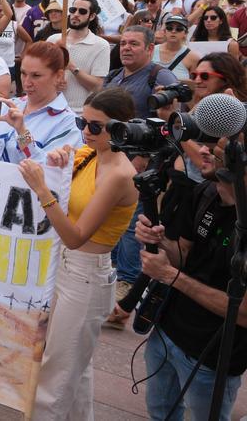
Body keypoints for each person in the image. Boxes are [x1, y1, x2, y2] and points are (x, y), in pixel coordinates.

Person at [18, 88, 137, 419]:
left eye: (95, 126)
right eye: (82, 121)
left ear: (120, 128)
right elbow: (40, 162)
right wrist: (56, 164)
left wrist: (43, 190)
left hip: (86, 275)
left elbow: (75, 236)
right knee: (73, 366)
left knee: (56, 374)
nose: (86, 131)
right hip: (68, 270)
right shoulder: (89, 154)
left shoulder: (118, 174)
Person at [136, 140, 247, 420]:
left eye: (217, 150)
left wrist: (170, 275)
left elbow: (244, 313)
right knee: (161, 412)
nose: (204, 151)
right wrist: (159, 241)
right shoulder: (204, 192)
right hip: (167, 332)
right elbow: (182, 255)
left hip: (212, 358)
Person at [0, 42, 83, 163]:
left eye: (36, 75)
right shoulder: (8, 105)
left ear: (59, 76)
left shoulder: (68, 123)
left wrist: (22, 133)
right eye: (23, 73)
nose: (27, 82)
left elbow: (49, 174)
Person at [47, 0, 111, 115]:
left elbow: (97, 86)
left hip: (78, 114)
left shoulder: (101, 46)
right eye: (73, 10)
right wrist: (53, 81)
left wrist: (71, 66)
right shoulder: (54, 39)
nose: (76, 14)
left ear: (91, 16)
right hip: (49, 108)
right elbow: (41, 72)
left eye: (82, 11)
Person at [103, 26, 178, 119]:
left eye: (133, 44)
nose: (126, 48)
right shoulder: (112, 75)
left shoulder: (161, 77)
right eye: (122, 44)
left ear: (150, 48)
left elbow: (173, 120)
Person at [152, 14, 199, 81]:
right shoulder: (151, 51)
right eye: (169, 28)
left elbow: (194, 85)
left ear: (185, 33)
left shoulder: (193, 58)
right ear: (165, 32)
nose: (173, 31)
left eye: (179, 29)